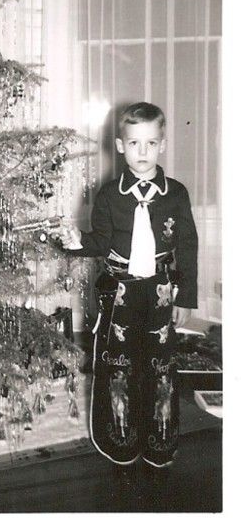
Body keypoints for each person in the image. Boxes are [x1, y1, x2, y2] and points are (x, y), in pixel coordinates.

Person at [56, 102, 198, 474]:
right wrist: (77, 241)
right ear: (120, 146)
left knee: (161, 364)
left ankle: (161, 441)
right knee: (119, 364)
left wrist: (188, 296)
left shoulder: (176, 194)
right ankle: (120, 439)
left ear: (162, 144)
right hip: (120, 292)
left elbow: (187, 246)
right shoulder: (108, 195)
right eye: (134, 143)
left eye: (151, 143)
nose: (143, 152)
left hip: (161, 291)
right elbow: (101, 243)